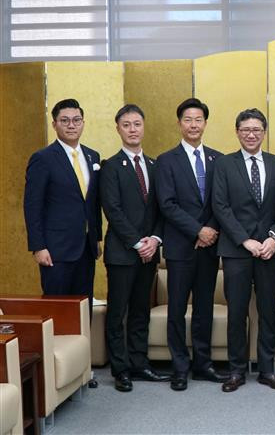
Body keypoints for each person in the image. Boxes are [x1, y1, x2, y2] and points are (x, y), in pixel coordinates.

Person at [23, 98, 102, 388]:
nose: (71, 125)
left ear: (83, 122)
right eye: (65, 120)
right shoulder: (43, 158)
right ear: (54, 123)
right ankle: (54, 373)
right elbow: (32, 206)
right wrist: (38, 246)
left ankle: (83, 370)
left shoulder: (93, 156)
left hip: (85, 247)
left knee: (84, 308)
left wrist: (99, 237)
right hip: (55, 250)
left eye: (76, 120)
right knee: (57, 310)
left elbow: (93, 204)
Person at [212, 109, 275, 392]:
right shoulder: (224, 164)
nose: (251, 134)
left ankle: (267, 370)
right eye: (245, 129)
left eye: (257, 129)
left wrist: (273, 237)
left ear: (264, 132)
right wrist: (245, 240)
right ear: (237, 131)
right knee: (237, 312)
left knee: (268, 311)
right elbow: (220, 206)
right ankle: (236, 370)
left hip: (269, 250)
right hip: (236, 251)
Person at [155, 98, 227, 391]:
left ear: (205, 124)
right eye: (188, 119)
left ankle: (203, 364)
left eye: (198, 120)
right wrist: (198, 230)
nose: (193, 125)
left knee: (204, 308)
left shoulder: (218, 160)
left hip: (209, 246)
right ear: (179, 123)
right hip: (180, 247)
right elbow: (167, 205)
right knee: (176, 309)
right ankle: (180, 367)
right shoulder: (165, 161)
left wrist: (210, 229)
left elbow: (221, 202)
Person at [100, 104, 170, 392]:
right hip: (122, 253)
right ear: (118, 129)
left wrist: (154, 239)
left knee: (141, 310)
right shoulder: (110, 166)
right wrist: (138, 242)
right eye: (126, 125)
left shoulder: (155, 166)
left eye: (137, 124)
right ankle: (121, 370)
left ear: (144, 127)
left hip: (149, 254)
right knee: (118, 313)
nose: (132, 129)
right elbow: (113, 210)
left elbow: (160, 210)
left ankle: (140, 364)